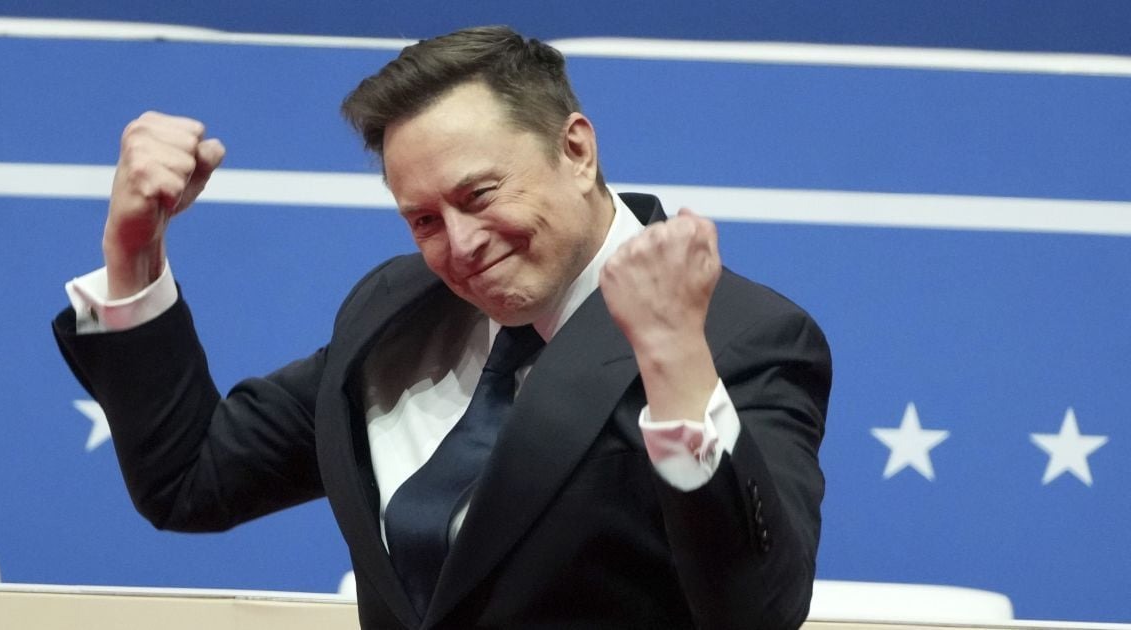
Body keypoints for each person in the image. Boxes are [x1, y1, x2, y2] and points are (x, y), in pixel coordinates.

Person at [53, 25, 831, 630]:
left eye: (480, 195)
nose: (459, 247)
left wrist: (672, 360)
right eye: (423, 219)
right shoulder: (393, 312)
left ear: (576, 150)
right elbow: (192, 480)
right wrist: (133, 249)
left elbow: (758, 613)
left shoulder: (742, 336)